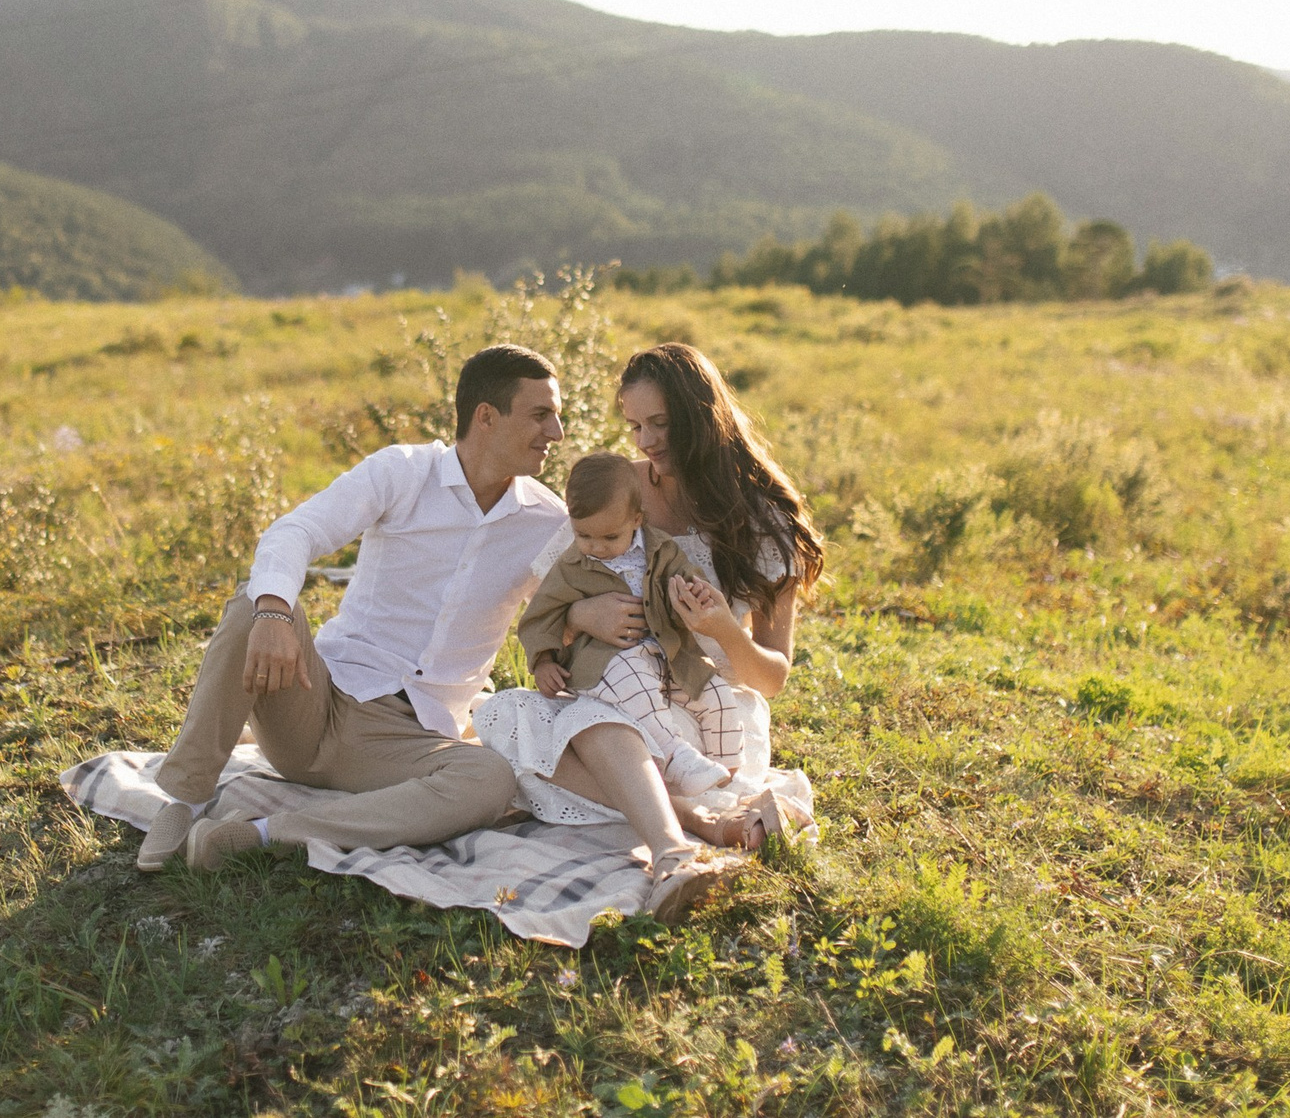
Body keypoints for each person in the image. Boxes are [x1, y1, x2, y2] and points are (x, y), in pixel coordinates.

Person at [140, 344, 571, 873]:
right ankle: (182, 801)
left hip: (407, 743)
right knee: (253, 604)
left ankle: (259, 836)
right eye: (541, 414)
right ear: (486, 416)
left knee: (488, 780)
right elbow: (295, 531)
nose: (557, 432)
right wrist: (275, 613)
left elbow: (570, 609)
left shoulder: (548, 523)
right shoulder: (403, 472)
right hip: (316, 703)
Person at [474, 342, 824, 858]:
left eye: (661, 423)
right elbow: (557, 592)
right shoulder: (623, 490)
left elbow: (771, 679)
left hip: (711, 704)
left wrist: (723, 628)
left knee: (600, 742)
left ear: (702, 418)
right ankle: (689, 817)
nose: (648, 441)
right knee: (506, 714)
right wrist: (580, 615)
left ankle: (669, 804)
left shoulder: (761, 519)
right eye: (636, 427)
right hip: (620, 693)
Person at [519, 452, 748, 799]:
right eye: (584, 536)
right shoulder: (571, 565)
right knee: (636, 686)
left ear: (636, 520)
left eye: (610, 538)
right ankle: (676, 757)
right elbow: (541, 614)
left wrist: (693, 593)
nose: (597, 548)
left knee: (715, 693)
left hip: (669, 656)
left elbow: (689, 577)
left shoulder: (661, 551)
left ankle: (728, 776)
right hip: (607, 663)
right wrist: (544, 661)